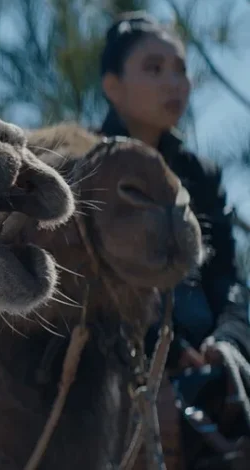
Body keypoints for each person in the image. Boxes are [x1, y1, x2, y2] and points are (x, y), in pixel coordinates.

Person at [97, 10, 250, 466]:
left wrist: (225, 342)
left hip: (214, 367)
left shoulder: (200, 175)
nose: (175, 83)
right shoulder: (86, 167)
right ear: (112, 86)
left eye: (181, 69)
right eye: (154, 68)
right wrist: (166, 354)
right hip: (119, 368)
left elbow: (228, 279)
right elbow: (92, 290)